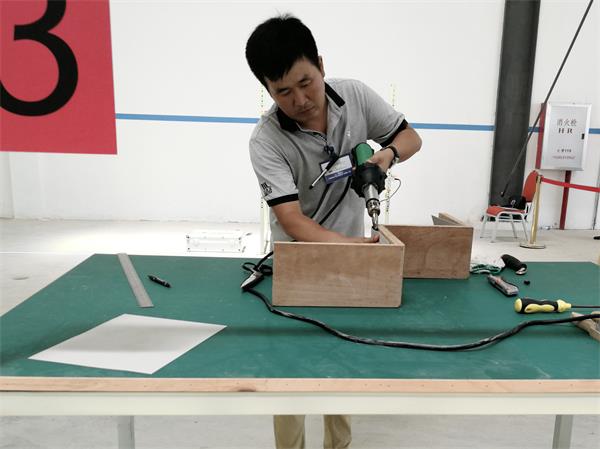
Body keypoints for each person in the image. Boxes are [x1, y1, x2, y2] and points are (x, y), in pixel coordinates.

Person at [245, 14, 421, 449]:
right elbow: (291, 220)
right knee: (288, 374)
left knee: (341, 363)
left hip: (351, 263)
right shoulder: (266, 140)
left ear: (321, 65)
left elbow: (411, 137)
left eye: (306, 82)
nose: (300, 99)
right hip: (297, 265)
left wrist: (386, 156)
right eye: (283, 91)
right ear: (267, 89)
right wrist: (352, 248)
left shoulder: (355, 96)